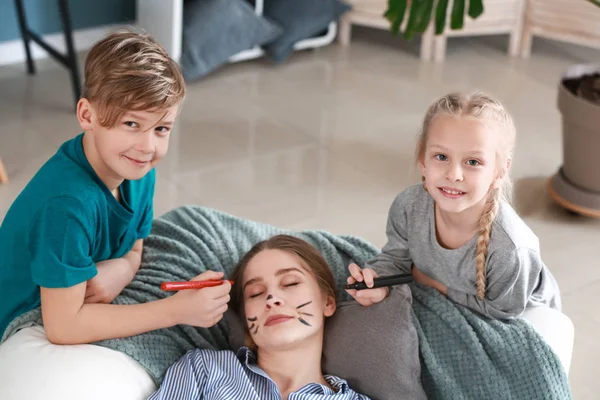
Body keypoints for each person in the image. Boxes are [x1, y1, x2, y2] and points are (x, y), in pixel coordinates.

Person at [0, 30, 231, 346]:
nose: (148, 146)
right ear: (86, 115)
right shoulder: (67, 203)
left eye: (161, 128)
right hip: (16, 323)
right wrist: (175, 310)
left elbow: (135, 245)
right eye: (131, 124)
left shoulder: (138, 171)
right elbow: (63, 327)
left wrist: (125, 265)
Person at [347, 92, 561, 319]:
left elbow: (503, 312)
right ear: (423, 161)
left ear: (499, 172)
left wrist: (436, 286)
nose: (454, 174)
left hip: (526, 315)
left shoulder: (511, 249)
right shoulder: (409, 206)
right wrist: (379, 283)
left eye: (473, 162)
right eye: (441, 157)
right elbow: (396, 260)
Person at [148, 235, 371, 400]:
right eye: (255, 293)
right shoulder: (204, 370)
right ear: (245, 316)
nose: (272, 298)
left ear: (328, 302)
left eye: (290, 283)